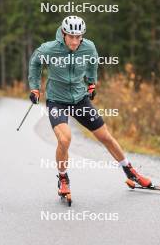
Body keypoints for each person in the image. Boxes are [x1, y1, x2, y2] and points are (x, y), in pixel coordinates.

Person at [28, 15, 151, 196]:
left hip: (80, 99)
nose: (76, 41)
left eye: (79, 37)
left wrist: (92, 83)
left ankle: (130, 171)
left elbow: (93, 62)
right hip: (57, 101)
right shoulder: (49, 49)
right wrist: (35, 88)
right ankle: (63, 179)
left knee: (105, 137)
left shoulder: (88, 47)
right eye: (72, 36)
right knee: (64, 139)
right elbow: (35, 62)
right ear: (64, 33)